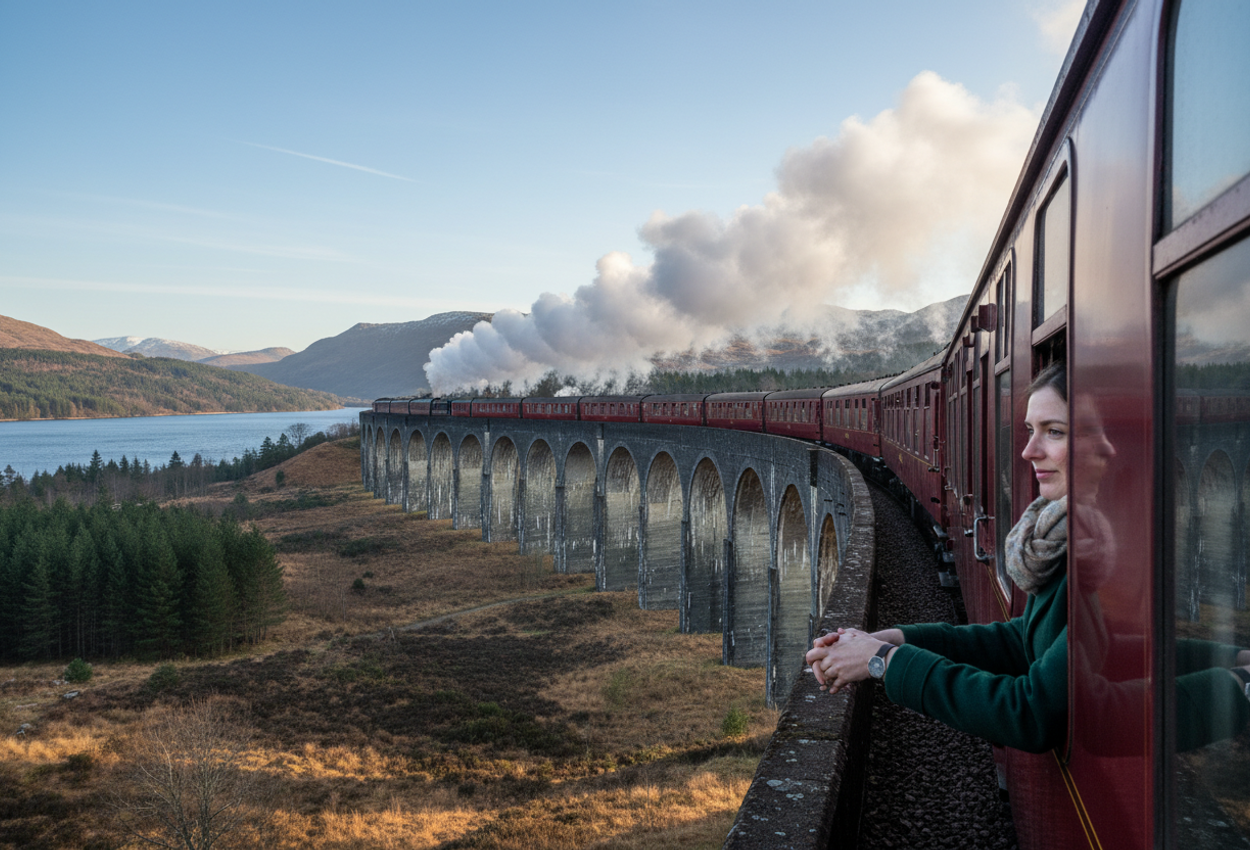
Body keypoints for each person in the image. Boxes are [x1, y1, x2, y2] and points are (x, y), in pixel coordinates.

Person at [805, 361, 1077, 753]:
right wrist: (890, 638)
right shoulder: (1055, 531)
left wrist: (883, 660)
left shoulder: (1108, 556)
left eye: (1054, 432)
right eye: (1030, 431)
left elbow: (1032, 712)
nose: (1028, 451)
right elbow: (1023, 643)